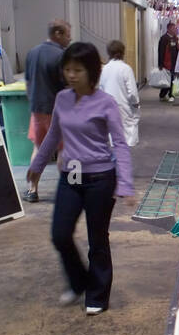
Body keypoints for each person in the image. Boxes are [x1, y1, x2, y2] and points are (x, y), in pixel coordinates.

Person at [27, 42, 135, 315]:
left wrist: (125, 183)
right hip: (71, 176)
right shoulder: (62, 98)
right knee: (60, 234)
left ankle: (97, 294)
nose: (71, 75)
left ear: (91, 72)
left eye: (77, 70)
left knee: (97, 239)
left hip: (100, 178)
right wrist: (38, 165)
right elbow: (53, 135)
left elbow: (120, 144)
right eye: (67, 69)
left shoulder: (106, 103)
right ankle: (78, 282)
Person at [23, 19, 71, 201]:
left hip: (37, 110)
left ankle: (32, 190)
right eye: (67, 34)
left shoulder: (32, 53)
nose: (70, 38)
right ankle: (69, 190)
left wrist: (34, 104)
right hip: (58, 112)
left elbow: (28, 83)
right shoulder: (62, 56)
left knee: (38, 148)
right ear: (57, 34)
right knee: (63, 150)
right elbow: (68, 87)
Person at [99, 40, 140, 146]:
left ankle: (115, 144)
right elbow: (132, 92)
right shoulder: (126, 68)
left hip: (108, 104)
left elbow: (101, 89)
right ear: (123, 52)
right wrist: (135, 103)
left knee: (113, 127)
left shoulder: (105, 69)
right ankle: (129, 145)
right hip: (124, 104)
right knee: (129, 125)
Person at [157, 21, 179, 102]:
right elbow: (161, 52)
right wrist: (160, 64)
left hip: (174, 63)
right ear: (169, 29)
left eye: (175, 28)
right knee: (167, 80)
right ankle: (162, 95)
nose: (175, 30)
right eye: (173, 28)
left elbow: (176, 50)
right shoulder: (164, 38)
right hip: (167, 63)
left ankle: (171, 95)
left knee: (173, 80)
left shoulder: (174, 38)